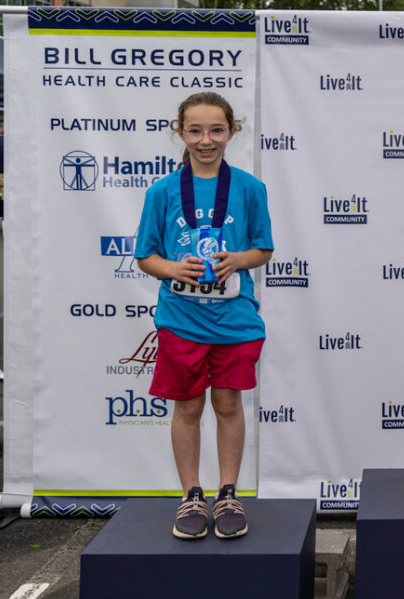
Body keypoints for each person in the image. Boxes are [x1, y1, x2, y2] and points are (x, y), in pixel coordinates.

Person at [135, 92, 273, 539]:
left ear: (232, 131)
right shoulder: (162, 191)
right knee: (188, 406)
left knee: (229, 404)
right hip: (182, 321)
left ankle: (228, 492)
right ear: (180, 133)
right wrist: (174, 269)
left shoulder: (249, 188)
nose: (206, 140)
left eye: (216, 130)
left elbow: (263, 249)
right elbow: (145, 256)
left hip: (234, 321)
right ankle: (191, 494)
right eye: (194, 130)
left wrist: (238, 260)